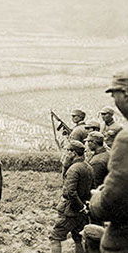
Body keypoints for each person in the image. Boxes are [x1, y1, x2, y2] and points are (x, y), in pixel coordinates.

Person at [90, 70, 128, 252]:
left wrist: (96, 200)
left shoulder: (125, 139)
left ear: (126, 94)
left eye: (115, 95)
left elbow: (111, 203)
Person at [49, 140, 93, 253]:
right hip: (82, 209)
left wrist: (79, 206)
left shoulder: (74, 169)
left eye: (68, 151)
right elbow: (92, 188)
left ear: (73, 153)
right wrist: (84, 206)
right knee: (78, 238)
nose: (67, 153)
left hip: (70, 210)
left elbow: (70, 192)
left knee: (55, 237)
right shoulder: (88, 167)